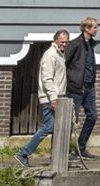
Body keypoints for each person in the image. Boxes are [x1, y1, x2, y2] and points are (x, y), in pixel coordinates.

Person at [19, 30, 71, 166]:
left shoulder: (60, 54)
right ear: (55, 41)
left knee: (56, 127)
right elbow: (47, 78)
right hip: (50, 98)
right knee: (48, 126)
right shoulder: (50, 55)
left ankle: (56, 157)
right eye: (62, 42)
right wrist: (53, 98)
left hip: (58, 96)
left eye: (66, 42)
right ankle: (23, 152)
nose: (64, 44)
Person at [68, 17, 100, 160]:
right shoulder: (75, 44)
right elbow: (65, 64)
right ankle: (65, 151)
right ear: (87, 28)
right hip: (76, 88)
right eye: (95, 27)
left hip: (89, 87)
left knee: (92, 116)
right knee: (71, 121)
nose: (97, 29)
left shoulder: (90, 45)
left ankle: (81, 148)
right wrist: (72, 82)